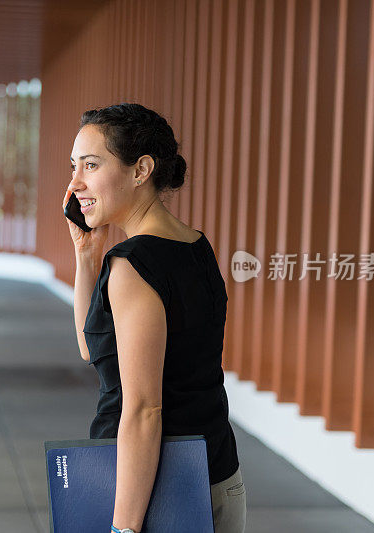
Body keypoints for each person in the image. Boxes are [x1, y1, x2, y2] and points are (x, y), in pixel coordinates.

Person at [63, 103, 246, 533]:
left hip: (159, 493)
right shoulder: (194, 244)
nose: (75, 184)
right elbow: (95, 348)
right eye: (74, 166)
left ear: (141, 170)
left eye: (91, 165)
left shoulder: (134, 265)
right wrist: (86, 256)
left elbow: (144, 409)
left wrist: (124, 528)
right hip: (214, 475)